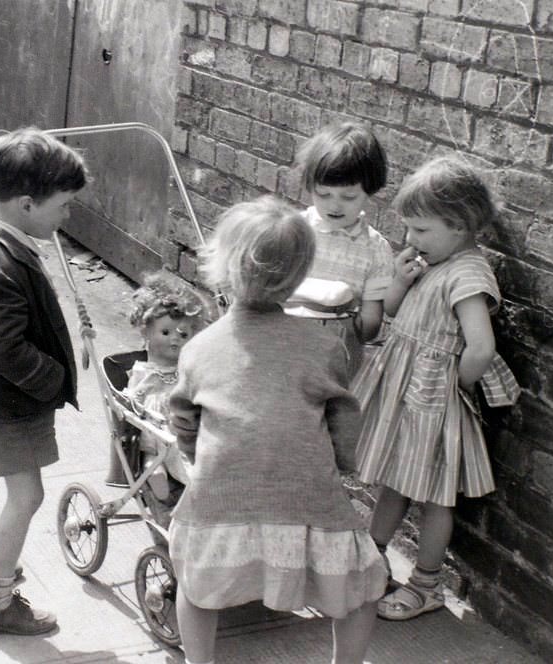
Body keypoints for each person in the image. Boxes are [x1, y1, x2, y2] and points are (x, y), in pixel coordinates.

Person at [167, 197, 385, 664]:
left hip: (221, 491)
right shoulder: (323, 348)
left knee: (197, 587)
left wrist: (193, 453)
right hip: (303, 491)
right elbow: (345, 420)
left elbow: (184, 417)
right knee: (362, 588)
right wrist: (345, 467)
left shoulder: (199, 348)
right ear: (301, 273)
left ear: (222, 267)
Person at [351, 156, 519, 621]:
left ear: (461, 226)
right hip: (409, 397)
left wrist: (451, 389)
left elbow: (481, 347)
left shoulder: (467, 273)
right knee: (394, 482)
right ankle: (370, 559)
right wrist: (402, 281)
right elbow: (391, 312)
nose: (411, 240)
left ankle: (426, 585)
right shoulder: (432, 261)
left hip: (432, 400)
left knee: (434, 496)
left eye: (421, 230)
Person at [0, 127, 88, 636]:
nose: (68, 216)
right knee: (26, 496)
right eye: (64, 206)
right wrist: (52, 380)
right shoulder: (4, 265)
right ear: (28, 204)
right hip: (9, 404)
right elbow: (5, 349)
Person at [284, 122, 395, 377]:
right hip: (285, 343)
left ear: (369, 191)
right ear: (311, 187)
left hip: (336, 354)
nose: (335, 205)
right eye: (324, 194)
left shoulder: (375, 249)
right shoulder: (294, 231)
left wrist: (352, 327)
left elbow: (371, 321)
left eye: (348, 197)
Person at [122, 272, 211, 517]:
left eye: (183, 335)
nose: (175, 339)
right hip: (156, 429)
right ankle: (157, 474)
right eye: (166, 333)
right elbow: (134, 397)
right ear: (146, 333)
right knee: (158, 457)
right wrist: (135, 399)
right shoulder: (144, 371)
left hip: (181, 426)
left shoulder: (187, 368)